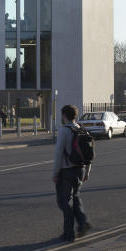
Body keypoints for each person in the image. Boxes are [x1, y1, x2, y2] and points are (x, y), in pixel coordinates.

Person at [52, 104, 92, 242]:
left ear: (64, 115)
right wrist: (87, 171)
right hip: (80, 169)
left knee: (64, 202)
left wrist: (55, 173)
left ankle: (68, 234)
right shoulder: (81, 128)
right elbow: (89, 150)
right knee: (75, 197)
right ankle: (82, 223)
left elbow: (58, 153)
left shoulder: (64, 130)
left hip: (66, 171)